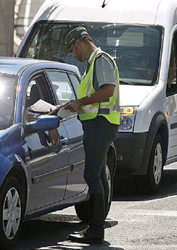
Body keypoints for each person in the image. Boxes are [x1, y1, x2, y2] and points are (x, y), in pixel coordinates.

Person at [64, 27, 120, 244]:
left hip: (100, 125)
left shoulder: (100, 60)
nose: (72, 54)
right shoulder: (93, 63)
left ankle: (95, 230)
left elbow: (108, 91)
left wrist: (81, 102)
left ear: (79, 42)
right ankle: (97, 228)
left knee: (92, 175)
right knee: (98, 176)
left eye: (72, 48)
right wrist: (72, 106)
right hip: (98, 124)